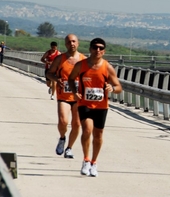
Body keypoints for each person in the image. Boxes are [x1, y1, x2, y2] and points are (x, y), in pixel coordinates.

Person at [68, 37, 122, 177]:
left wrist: (112, 87)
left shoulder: (107, 67)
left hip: (101, 106)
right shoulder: (81, 65)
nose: (97, 50)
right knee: (87, 130)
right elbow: (71, 78)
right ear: (90, 49)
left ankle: (94, 162)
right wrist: (75, 92)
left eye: (101, 48)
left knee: (98, 136)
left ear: (103, 51)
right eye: (95, 47)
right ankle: (86, 160)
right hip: (85, 104)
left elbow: (119, 87)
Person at [46, 34, 86, 158]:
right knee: (63, 121)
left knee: (77, 124)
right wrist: (57, 79)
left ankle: (69, 148)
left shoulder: (84, 60)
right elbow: (49, 74)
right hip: (64, 96)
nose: (72, 44)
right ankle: (62, 138)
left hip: (78, 97)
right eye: (69, 42)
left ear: (78, 43)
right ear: (66, 44)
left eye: (74, 41)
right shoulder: (60, 59)